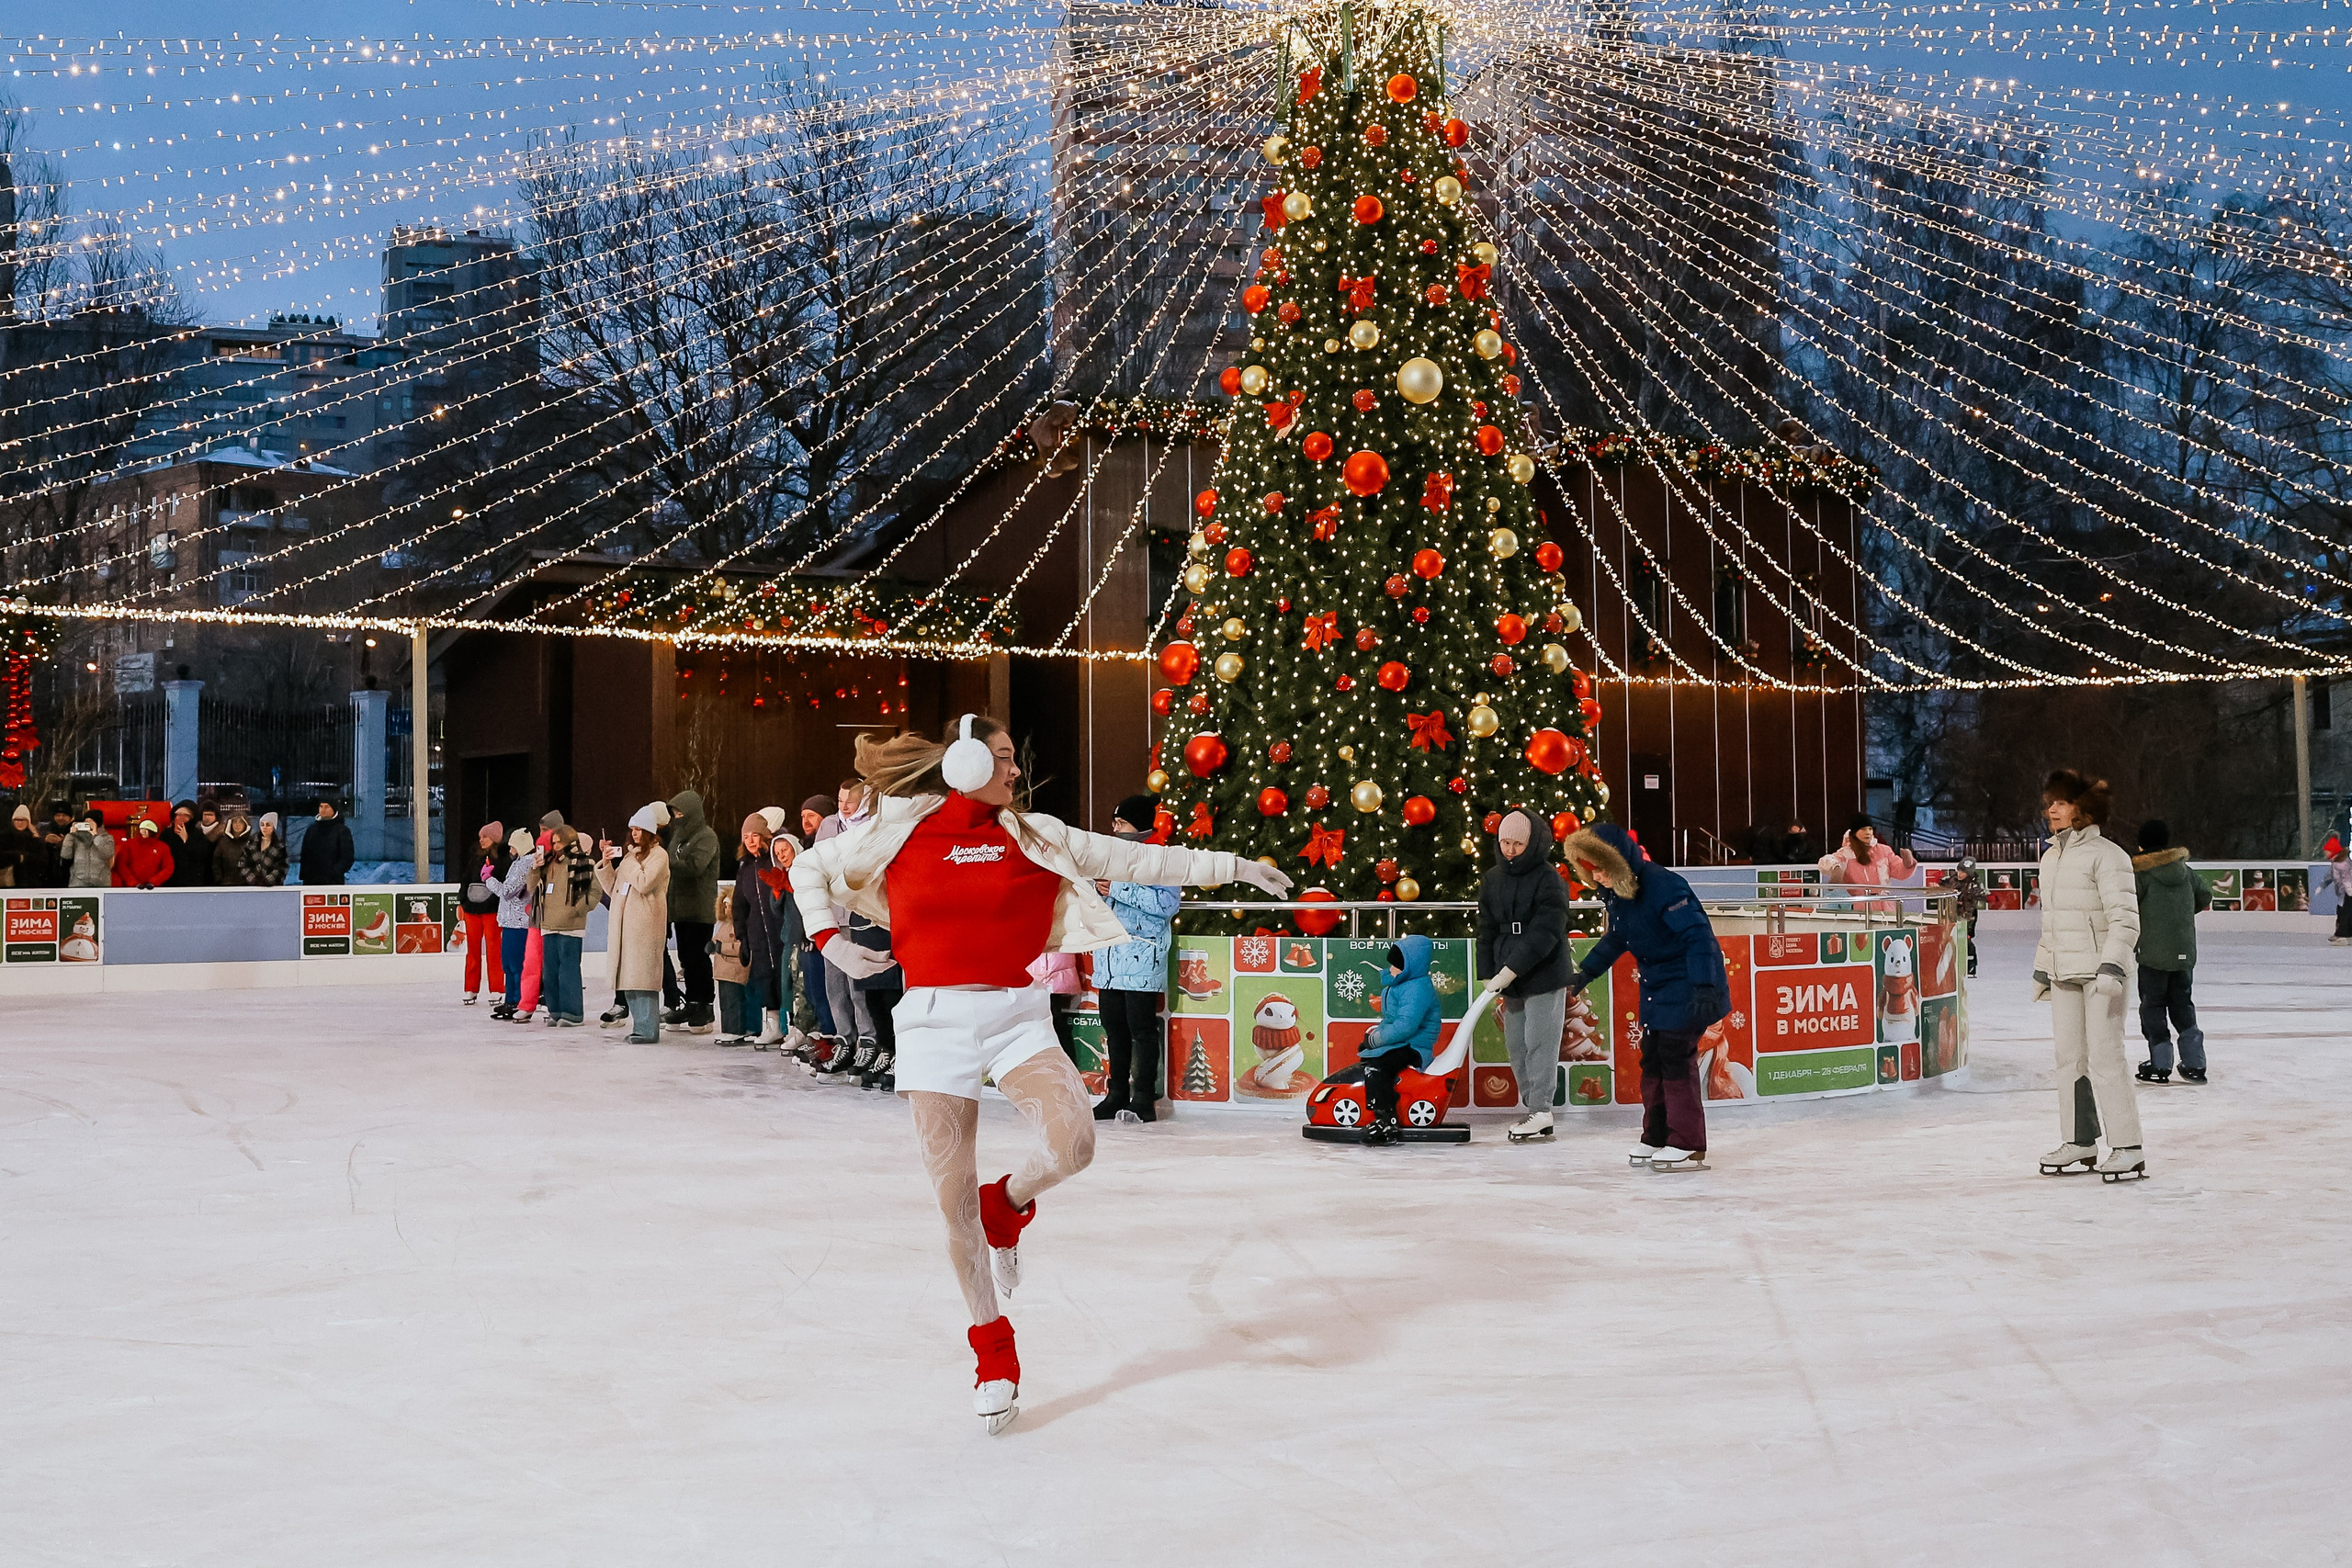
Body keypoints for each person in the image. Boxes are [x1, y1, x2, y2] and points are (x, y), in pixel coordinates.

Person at [788, 714, 1289, 1434]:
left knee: (1074, 1143)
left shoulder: (1037, 834)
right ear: (963, 764)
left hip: (1015, 1016)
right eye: (1001, 758)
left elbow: (1139, 860)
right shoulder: (898, 829)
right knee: (952, 1201)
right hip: (932, 1022)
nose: (1015, 770)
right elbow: (809, 866)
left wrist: (1236, 865)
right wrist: (829, 939)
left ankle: (1009, 1203)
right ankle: (992, 1346)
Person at [1565, 823, 1731, 1173]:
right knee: (1653, 1058)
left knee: (1675, 1058)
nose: (1598, 878)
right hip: (1657, 985)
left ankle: (1687, 1143)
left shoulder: (1663, 886)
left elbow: (1698, 936)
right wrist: (1586, 973)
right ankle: (1656, 1136)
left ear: (1618, 861)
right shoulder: (1618, 891)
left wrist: (1704, 986)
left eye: (1601, 869)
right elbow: (1618, 937)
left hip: (1688, 982)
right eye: (1590, 871)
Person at [2031, 770, 2146, 1181]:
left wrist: (2112, 965)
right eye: (2050, 803)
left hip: (2102, 974)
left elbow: (2125, 919)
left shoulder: (2108, 856)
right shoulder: (2050, 857)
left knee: (2106, 1057)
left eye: (2061, 803)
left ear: (2083, 808)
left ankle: (2128, 1145)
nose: (2052, 810)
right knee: (2069, 1059)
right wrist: (2043, 968)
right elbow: (2051, 921)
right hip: (2064, 971)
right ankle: (2080, 1140)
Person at [1477, 808, 1573, 1144]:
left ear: (1532, 843)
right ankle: (1533, 1109)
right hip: (1508, 972)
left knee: (1539, 1041)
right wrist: (1487, 972)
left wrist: (1509, 970)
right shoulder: (1492, 879)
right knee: (1516, 1044)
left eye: (1518, 844)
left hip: (1544, 971)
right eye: (1505, 842)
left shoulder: (1550, 879)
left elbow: (1546, 932)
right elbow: (1486, 929)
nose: (1510, 850)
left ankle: (1541, 1108)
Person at [1091, 794, 1180, 1123]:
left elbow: (1166, 906)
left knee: (1142, 1030)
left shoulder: (1162, 860)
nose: (1115, 828)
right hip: (1109, 960)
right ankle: (1115, 1094)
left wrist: (1117, 888)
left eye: (1121, 822)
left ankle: (1143, 1097)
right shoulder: (1109, 856)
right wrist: (1095, 890)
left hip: (1142, 959)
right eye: (1114, 822)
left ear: (1140, 825)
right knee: (1114, 1029)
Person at [2131, 819, 2209, 1086]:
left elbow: (2128, 906)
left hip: (2153, 955)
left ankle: (2160, 1063)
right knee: (2182, 1004)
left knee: (2153, 1006)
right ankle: (2195, 1063)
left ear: (2142, 845)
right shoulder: (2185, 871)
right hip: (2184, 952)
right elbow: (2205, 896)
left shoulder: (2142, 874)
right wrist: (2180, 913)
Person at [1357, 934, 1444, 1146]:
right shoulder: (1401, 984)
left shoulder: (1417, 988)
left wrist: (1375, 1042)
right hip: (1403, 1041)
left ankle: (1386, 1120)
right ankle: (1379, 1107)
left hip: (1415, 1045)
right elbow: (1391, 1022)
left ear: (1410, 967)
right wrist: (1371, 1041)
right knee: (1370, 1059)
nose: (1391, 970)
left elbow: (1406, 1025)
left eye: (1396, 966)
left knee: (1378, 1066)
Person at [812, 776, 876, 1056]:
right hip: (832, 918)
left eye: (851, 801)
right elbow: (818, 866)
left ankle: (868, 1038)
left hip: (861, 917)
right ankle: (844, 1038)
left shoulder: (873, 824)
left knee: (858, 984)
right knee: (835, 984)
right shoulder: (828, 825)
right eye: (840, 800)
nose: (845, 806)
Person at [598, 806, 673, 1043]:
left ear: (650, 831)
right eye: (632, 829)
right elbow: (613, 889)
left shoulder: (659, 856)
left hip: (645, 926)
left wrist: (628, 862)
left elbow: (643, 882)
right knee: (630, 980)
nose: (635, 834)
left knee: (644, 980)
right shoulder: (632, 857)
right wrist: (606, 863)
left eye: (639, 829)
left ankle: (648, 1030)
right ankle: (641, 1027)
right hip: (626, 926)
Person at [663, 789, 720, 1034]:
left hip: (700, 909)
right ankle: (692, 1002)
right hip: (680, 909)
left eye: (680, 813)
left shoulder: (706, 836)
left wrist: (665, 863)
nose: (677, 817)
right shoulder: (678, 836)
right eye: (674, 813)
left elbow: (695, 867)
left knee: (699, 958)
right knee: (686, 958)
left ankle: (705, 1005)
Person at [532, 824, 598, 1028]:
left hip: (571, 927)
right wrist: (535, 868)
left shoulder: (585, 863)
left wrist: (578, 909)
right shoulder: (548, 863)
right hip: (548, 925)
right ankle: (556, 1011)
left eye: (559, 842)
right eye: (554, 843)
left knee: (568, 972)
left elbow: (595, 892)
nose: (556, 846)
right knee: (550, 973)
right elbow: (532, 888)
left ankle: (573, 1013)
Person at [484, 827, 537, 1021]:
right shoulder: (520, 863)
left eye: (512, 846)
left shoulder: (525, 864)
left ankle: (517, 1001)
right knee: (508, 963)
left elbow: (507, 892)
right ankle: (511, 999)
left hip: (518, 922)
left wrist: (488, 880)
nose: (510, 850)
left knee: (515, 964)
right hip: (510, 921)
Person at [458, 823, 506, 1005]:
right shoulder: (475, 857)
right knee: (472, 950)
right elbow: (465, 879)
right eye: (480, 837)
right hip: (472, 910)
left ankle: (497, 988)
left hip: (491, 911)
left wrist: (495, 903)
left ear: (494, 838)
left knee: (494, 950)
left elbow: (504, 885)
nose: (481, 840)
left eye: (485, 837)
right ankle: (471, 988)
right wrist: (463, 900)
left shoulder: (503, 859)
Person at [300, 798, 355, 886]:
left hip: (333, 883)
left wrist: (333, 873)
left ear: (334, 809)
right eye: (321, 806)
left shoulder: (342, 831)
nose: (323, 810)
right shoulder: (311, 830)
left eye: (326, 807)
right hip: (310, 883)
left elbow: (347, 858)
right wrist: (305, 874)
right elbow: (305, 855)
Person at [59, 809, 116, 887]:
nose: (88, 824)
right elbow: (65, 855)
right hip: (78, 882)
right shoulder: (76, 837)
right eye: (86, 821)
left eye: (91, 821)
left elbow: (107, 854)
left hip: (101, 883)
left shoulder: (107, 838)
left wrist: (95, 836)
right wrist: (70, 836)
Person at [115, 816, 174, 889]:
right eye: (142, 828)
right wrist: (133, 883)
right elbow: (121, 865)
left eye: (148, 829)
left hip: (154, 889)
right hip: (130, 889)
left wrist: (153, 882)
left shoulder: (163, 847)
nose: (144, 831)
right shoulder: (129, 844)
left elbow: (168, 867)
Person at [162, 801, 209, 886]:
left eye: (186, 815)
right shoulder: (166, 834)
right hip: (168, 883)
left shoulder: (198, 835)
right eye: (178, 814)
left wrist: (186, 840)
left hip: (191, 883)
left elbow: (201, 857)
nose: (181, 818)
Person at [2, 803, 49, 888]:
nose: (20, 823)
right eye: (17, 820)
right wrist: (15, 856)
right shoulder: (5, 837)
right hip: (8, 884)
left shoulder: (35, 839)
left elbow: (43, 862)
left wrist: (26, 857)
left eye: (23, 820)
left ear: (28, 822)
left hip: (30, 884)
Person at [240, 813, 288, 886]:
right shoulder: (251, 843)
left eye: (268, 825)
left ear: (273, 827)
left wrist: (268, 880)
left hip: (273, 888)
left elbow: (282, 868)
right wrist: (253, 879)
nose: (265, 827)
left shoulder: (280, 847)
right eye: (262, 825)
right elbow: (242, 864)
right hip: (252, 887)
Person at [209, 812, 254, 886]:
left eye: (241, 822)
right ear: (230, 824)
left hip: (247, 885)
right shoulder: (223, 842)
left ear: (246, 825)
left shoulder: (252, 842)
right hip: (227, 884)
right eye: (235, 822)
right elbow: (216, 862)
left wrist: (252, 880)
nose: (237, 824)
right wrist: (219, 879)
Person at [2331, 849, 2352, 945]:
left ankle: (2343, 934)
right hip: (2347, 890)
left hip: (2347, 891)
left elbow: (2340, 879)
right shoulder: (2346, 862)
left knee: (2345, 912)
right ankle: (2344, 933)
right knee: (2345, 912)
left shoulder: (2339, 863)